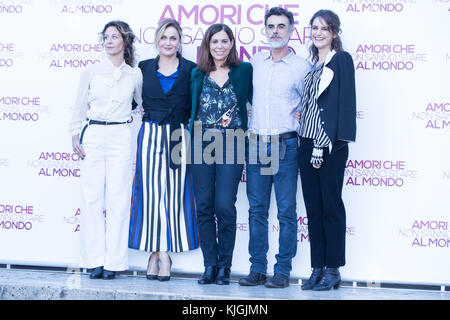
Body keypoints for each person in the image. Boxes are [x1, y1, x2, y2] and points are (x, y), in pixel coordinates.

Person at [238, 7, 311, 288]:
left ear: (291, 30)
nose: (276, 31)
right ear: (265, 30)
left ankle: (282, 270)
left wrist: (302, 116)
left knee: (286, 210)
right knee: (257, 210)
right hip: (256, 144)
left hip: (285, 145)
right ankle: (257, 268)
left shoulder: (302, 67)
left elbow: (311, 106)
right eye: (271, 26)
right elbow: (243, 99)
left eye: (282, 26)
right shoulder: (254, 63)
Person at [70, 21, 142, 280]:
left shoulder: (135, 74)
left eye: (115, 36)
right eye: (106, 37)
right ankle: (94, 261)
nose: (109, 41)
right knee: (91, 198)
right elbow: (79, 104)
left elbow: (143, 106)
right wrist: (74, 134)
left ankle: (114, 261)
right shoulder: (91, 70)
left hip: (121, 135)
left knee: (119, 198)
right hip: (94, 134)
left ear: (125, 41)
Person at [128, 19, 198, 281]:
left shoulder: (191, 69)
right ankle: (156, 253)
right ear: (157, 40)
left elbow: (195, 105)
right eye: (164, 38)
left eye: (173, 38)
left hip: (180, 135)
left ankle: (164, 254)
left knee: (174, 194)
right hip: (150, 134)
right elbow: (133, 98)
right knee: (150, 193)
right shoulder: (144, 67)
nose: (168, 42)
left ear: (180, 42)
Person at [295, 9, 356, 291]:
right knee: (314, 209)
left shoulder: (341, 60)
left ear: (334, 33)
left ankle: (333, 269)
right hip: (306, 143)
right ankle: (317, 268)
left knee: (331, 206)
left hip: (329, 146)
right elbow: (313, 103)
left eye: (324, 28)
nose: (318, 32)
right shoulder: (312, 64)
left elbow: (342, 105)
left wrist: (325, 144)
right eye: (314, 28)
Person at [189, 23, 252, 285]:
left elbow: (261, 99)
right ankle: (210, 265)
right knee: (204, 205)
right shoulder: (197, 74)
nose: (220, 46)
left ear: (232, 44)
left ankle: (225, 266)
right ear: (207, 45)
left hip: (232, 142)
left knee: (224, 205)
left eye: (225, 41)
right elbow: (189, 107)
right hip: (200, 144)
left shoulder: (244, 71)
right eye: (215, 42)